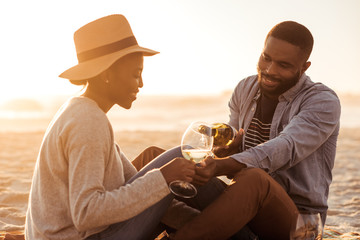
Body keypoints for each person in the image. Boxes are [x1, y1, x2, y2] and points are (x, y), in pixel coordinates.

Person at [25, 14, 201, 240]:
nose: (141, 84)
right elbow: (86, 213)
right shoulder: (88, 121)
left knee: (178, 164)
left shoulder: (82, 111)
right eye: (136, 74)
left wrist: (199, 222)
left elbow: (143, 195)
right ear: (107, 73)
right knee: (181, 154)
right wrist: (163, 177)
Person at [171, 21, 341, 239]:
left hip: (302, 225)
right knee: (164, 158)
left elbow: (285, 147)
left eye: (284, 65)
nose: (270, 71)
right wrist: (224, 151)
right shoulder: (245, 88)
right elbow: (233, 136)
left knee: (255, 179)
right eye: (266, 58)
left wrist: (221, 166)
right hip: (246, 208)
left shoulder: (322, 101)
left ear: (304, 67)